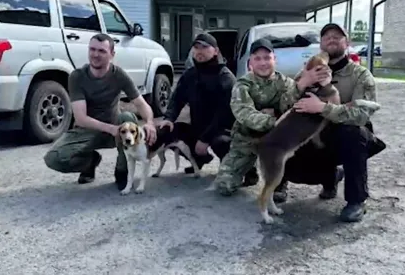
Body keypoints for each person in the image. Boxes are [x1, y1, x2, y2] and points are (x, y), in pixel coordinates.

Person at [277, 22, 386, 222]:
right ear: (321, 44)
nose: (332, 39)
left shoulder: (360, 75)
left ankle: (356, 201)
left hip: (341, 137)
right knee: (282, 132)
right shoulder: (306, 72)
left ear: (348, 42)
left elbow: (362, 114)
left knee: (355, 133)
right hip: (311, 135)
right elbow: (282, 106)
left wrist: (323, 108)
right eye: (327, 36)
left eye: (338, 35)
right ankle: (325, 177)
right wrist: (302, 83)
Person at [213, 38, 332, 196]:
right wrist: (275, 121)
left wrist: (303, 83)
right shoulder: (242, 85)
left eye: (267, 58)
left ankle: (283, 184)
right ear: (250, 63)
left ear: (274, 60)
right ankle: (250, 169)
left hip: (276, 141)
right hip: (247, 140)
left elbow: (292, 108)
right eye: (257, 58)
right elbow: (245, 114)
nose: (263, 63)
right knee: (224, 186)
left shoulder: (285, 82)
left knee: (294, 159)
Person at [43, 33, 157, 191]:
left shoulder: (119, 75)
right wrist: (110, 129)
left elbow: (141, 103)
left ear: (112, 54)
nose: (95, 54)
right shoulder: (77, 76)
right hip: (87, 130)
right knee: (53, 158)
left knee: (127, 117)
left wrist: (150, 122)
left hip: (115, 128)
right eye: (92, 49)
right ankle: (90, 162)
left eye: (102, 51)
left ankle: (122, 170)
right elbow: (81, 118)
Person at [157, 33, 257, 183]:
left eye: (204, 47)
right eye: (196, 47)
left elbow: (225, 115)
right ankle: (200, 159)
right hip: (199, 127)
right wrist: (169, 118)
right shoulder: (189, 75)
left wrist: (205, 139)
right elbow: (177, 99)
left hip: (223, 129)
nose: (199, 51)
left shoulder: (226, 78)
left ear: (215, 51)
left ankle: (247, 170)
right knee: (169, 131)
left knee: (220, 142)